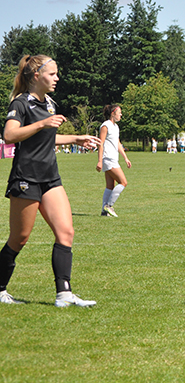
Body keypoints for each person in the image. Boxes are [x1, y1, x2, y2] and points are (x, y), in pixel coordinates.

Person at [0, 55, 100, 307]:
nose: (57, 78)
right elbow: (10, 135)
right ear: (37, 76)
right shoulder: (21, 103)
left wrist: (76, 138)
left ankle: (63, 294)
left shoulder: (51, 104)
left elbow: (46, 139)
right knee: (19, 238)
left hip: (50, 178)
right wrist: (42, 123)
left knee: (66, 232)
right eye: (52, 74)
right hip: (26, 178)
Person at [96, 104, 131, 217]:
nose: (121, 114)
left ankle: (104, 211)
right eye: (119, 112)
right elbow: (100, 143)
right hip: (108, 158)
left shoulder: (115, 127)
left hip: (113, 159)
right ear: (112, 113)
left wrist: (125, 158)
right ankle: (109, 206)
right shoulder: (105, 125)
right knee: (123, 182)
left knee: (110, 186)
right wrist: (100, 161)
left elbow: (118, 143)